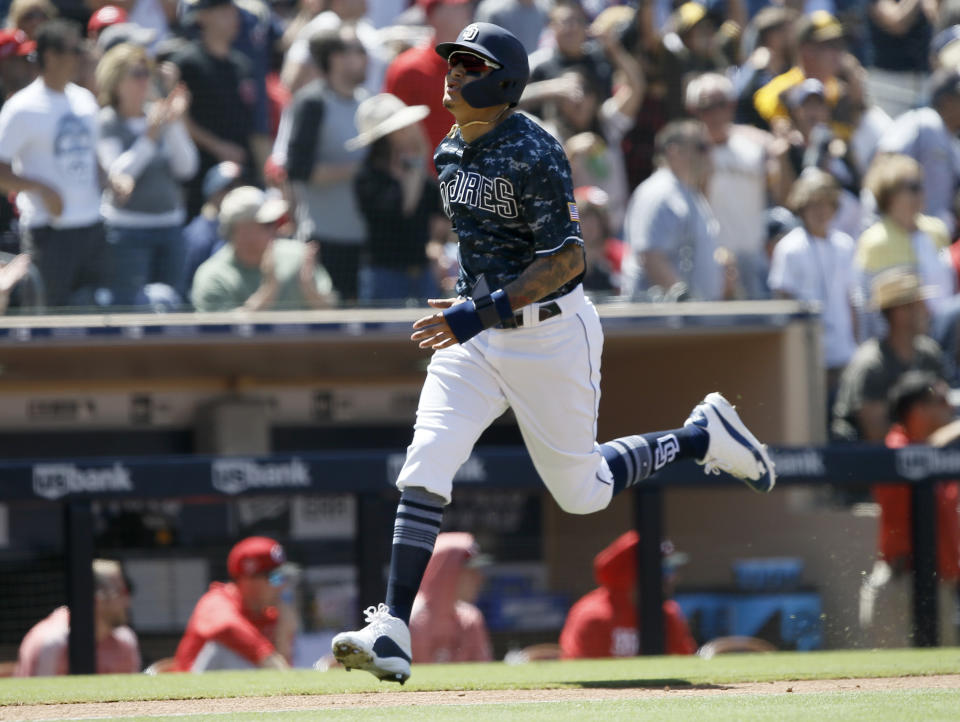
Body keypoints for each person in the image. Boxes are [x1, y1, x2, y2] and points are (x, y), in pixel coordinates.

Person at [329, 22, 775, 686]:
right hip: (477, 335)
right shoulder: (448, 150)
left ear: (504, 80)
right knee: (427, 459)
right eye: (452, 61)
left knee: (583, 492)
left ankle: (699, 436)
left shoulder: (534, 147)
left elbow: (569, 257)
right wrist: (472, 310)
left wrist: (476, 310)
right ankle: (393, 625)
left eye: (470, 65)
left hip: (548, 332)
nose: (453, 72)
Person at [0, 19, 106, 310]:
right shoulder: (21, 107)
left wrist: (111, 179)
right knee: (46, 322)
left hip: (92, 227)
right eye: (74, 50)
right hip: (49, 234)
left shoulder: (85, 101)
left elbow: (92, 156)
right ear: (51, 57)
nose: (81, 57)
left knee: (95, 319)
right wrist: (41, 189)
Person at [859, 371, 960, 647]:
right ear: (917, 410)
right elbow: (915, 460)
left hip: (940, 586)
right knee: (891, 679)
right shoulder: (894, 449)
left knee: (942, 678)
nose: (949, 407)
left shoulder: (940, 453)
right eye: (940, 400)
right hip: (901, 584)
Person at [95, 42, 198, 308]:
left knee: (173, 303)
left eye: (146, 74)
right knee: (131, 310)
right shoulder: (107, 121)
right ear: (116, 81)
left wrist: (173, 124)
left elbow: (187, 168)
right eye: (136, 74)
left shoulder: (158, 116)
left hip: (170, 226)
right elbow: (117, 173)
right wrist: (150, 137)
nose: (144, 81)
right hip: (127, 231)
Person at [284, 23, 367, 302]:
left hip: (366, 239)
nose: (365, 56)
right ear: (335, 58)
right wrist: (358, 171)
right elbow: (298, 169)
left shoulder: (366, 102)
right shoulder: (312, 102)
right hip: (324, 239)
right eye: (356, 50)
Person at [688, 72, 781, 300]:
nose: (716, 113)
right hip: (711, 257)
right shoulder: (688, 153)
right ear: (694, 110)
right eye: (707, 107)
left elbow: (779, 191)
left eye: (722, 104)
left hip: (753, 254)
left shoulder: (755, 145)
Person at [348, 93, 447, 304]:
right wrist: (419, 162)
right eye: (403, 128)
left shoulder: (414, 172)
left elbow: (440, 212)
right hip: (384, 275)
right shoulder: (368, 179)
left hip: (422, 273)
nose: (413, 131)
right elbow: (404, 208)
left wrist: (436, 245)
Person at [768, 169, 858, 394]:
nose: (820, 211)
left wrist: (855, 342)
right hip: (808, 352)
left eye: (826, 203)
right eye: (813, 204)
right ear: (802, 206)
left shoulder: (845, 245)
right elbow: (782, 299)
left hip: (842, 350)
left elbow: (851, 299)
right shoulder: (789, 248)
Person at [832, 268, 945, 442]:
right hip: (869, 461)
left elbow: (943, 410)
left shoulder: (929, 353)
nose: (927, 311)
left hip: (922, 454)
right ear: (899, 312)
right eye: (918, 305)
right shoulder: (871, 364)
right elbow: (876, 433)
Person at [621, 119, 725, 303]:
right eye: (701, 147)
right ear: (674, 151)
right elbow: (651, 256)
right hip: (662, 321)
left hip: (687, 320)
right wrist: (686, 302)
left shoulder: (689, 192)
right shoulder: (659, 193)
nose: (709, 153)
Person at [173, 0, 257, 218]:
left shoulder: (242, 65)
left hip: (241, 171)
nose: (233, 17)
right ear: (203, 16)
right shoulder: (187, 63)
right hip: (201, 173)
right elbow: (178, 117)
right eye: (224, 11)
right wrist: (218, 146)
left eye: (234, 11)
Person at [191, 185, 335, 311]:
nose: (276, 229)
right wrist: (268, 291)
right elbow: (220, 335)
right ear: (240, 232)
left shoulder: (299, 257)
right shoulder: (214, 276)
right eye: (267, 224)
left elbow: (334, 316)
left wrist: (310, 291)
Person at [559, 530, 697, 659]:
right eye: (665, 570)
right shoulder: (594, 615)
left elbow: (685, 661)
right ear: (632, 573)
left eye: (673, 569)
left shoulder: (667, 612)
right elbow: (585, 674)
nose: (673, 578)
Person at [174, 536, 293, 671]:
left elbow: (282, 671)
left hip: (247, 689)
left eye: (284, 577)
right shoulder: (218, 600)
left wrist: (284, 634)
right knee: (222, 649)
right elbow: (225, 626)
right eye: (276, 578)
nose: (282, 585)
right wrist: (264, 654)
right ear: (247, 579)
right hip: (193, 688)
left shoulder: (273, 614)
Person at [14, 559, 140, 676]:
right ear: (98, 598)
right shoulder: (51, 642)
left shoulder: (125, 640)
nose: (127, 601)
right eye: (122, 592)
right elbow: (40, 696)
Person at [384, 0, 475, 157]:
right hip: (425, 176)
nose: (466, 11)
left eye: (465, 6)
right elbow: (392, 133)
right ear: (433, 16)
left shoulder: (478, 65)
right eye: (456, 7)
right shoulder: (408, 68)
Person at [876, 68, 960, 236]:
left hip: (930, 235)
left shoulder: (954, 142)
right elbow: (885, 159)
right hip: (898, 230)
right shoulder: (925, 121)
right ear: (946, 101)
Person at [408, 532, 493, 664]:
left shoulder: (471, 619)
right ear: (446, 572)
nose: (479, 579)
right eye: (470, 571)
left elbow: (486, 674)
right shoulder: (408, 622)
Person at [181, 160, 243, 295]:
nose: (236, 191)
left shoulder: (241, 226)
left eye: (239, 185)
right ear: (213, 192)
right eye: (229, 187)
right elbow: (187, 285)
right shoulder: (198, 235)